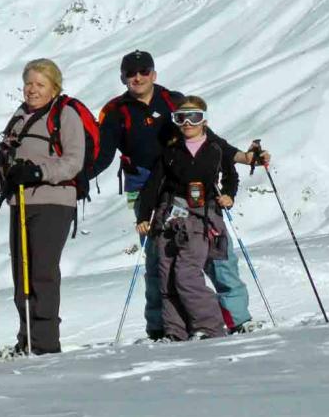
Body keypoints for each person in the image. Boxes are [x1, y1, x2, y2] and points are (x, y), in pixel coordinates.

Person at [92, 49, 269, 338]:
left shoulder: (171, 101)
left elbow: (209, 140)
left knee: (216, 254)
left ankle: (237, 318)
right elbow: (102, 156)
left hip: (190, 189)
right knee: (157, 260)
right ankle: (163, 327)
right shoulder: (115, 112)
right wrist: (75, 178)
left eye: (144, 71)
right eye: (131, 73)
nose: (137, 77)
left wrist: (244, 158)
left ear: (154, 74)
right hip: (145, 191)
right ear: (122, 78)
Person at [0, 59, 85, 357]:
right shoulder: (19, 117)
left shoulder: (65, 115)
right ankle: (27, 339)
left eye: (40, 84)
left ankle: (45, 344)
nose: (33, 90)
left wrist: (38, 172)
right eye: (29, 83)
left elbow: (74, 161)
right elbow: (7, 164)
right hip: (20, 201)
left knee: (42, 273)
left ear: (55, 88)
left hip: (53, 202)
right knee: (21, 275)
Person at [135, 96, 238, 341]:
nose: (188, 123)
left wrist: (229, 196)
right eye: (181, 118)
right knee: (166, 274)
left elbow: (231, 176)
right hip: (168, 218)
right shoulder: (170, 151)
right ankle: (175, 331)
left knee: (186, 273)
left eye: (195, 117)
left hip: (199, 219)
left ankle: (210, 327)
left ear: (204, 120)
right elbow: (153, 186)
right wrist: (143, 215)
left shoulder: (215, 148)